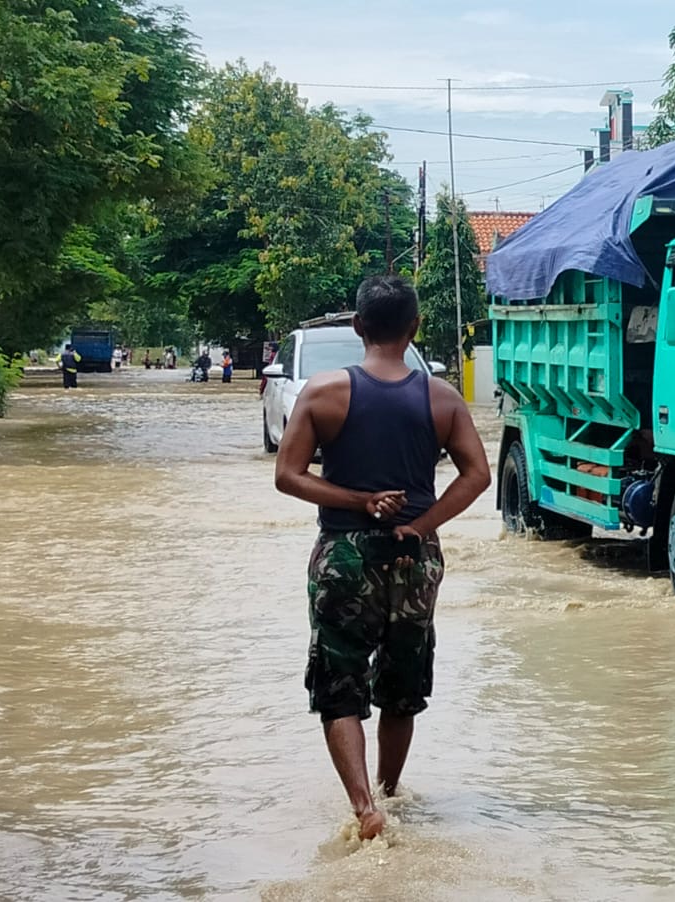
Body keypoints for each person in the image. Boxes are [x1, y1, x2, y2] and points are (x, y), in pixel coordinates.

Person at [273, 275, 490, 841]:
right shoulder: (442, 398)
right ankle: (392, 792)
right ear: (414, 328)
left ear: (357, 327)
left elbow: (288, 476)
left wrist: (358, 501)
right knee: (403, 683)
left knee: (338, 682)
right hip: (414, 561)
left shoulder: (322, 394)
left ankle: (365, 806)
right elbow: (478, 476)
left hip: (344, 557)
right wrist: (419, 525)